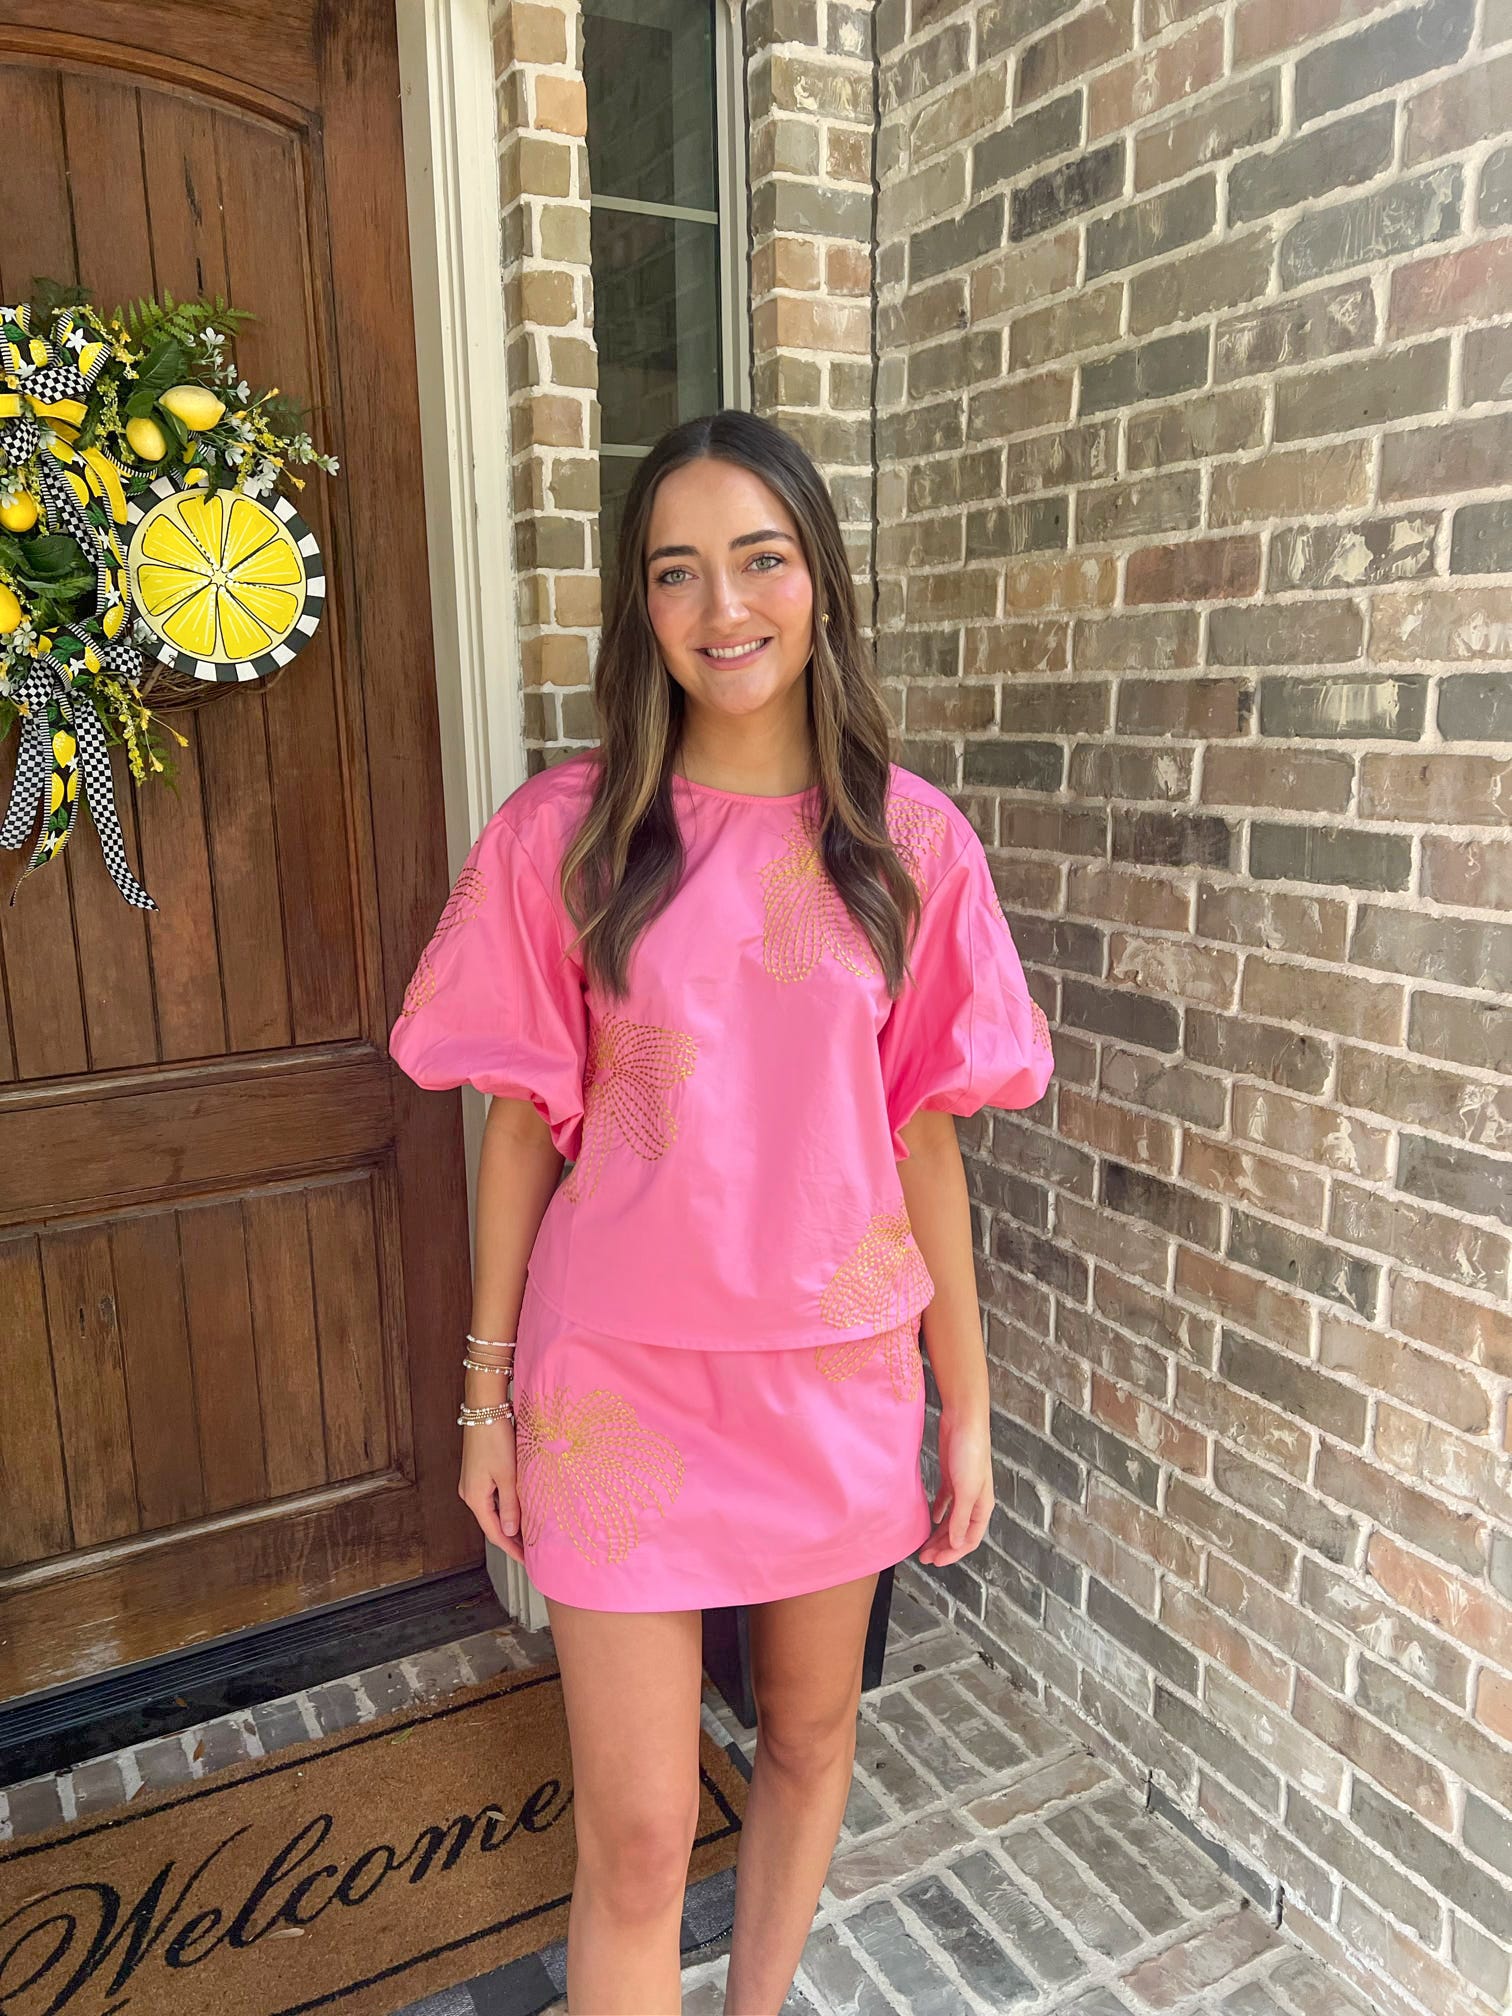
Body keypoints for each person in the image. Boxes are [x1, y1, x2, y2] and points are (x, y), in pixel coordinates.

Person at [388, 409, 1055, 2015]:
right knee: (635, 1831)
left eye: (760, 558)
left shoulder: (913, 849)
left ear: (818, 577)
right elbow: (514, 1132)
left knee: (811, 1741)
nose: (723, 607)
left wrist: (967, 1407)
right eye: (676, 573)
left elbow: (926, 1149)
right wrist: (483, 1396)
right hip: (614, 1385)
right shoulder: (566, 837)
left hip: (835, 1380)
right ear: (640, 609)